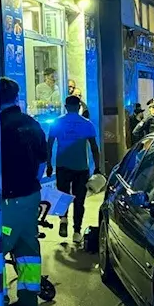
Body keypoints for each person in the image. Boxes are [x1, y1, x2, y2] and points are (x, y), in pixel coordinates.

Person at [0, 78, 50, 306]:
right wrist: (29, 184)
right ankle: (28, 301)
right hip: (30, 196)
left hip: (8, 200)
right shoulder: (32, 124)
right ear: (17, 96)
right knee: (27, 249)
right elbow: (42, 163)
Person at [46, 95, 103, 244]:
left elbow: (49, 145)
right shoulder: (87, 124)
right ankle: (77, 231)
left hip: (62, 165)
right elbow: (94, 148)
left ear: (65, 107)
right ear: (79, 107)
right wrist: (97, 167)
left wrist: (49, 164)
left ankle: (63, 219)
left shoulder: (57, 122)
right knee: (79, 200)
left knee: (62, 195)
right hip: (81, 167)